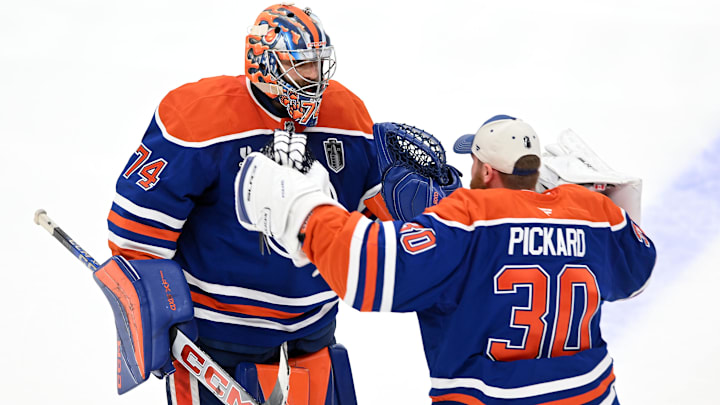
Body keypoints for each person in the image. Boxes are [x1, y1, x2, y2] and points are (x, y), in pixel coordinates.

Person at [235, 115, 657, 404]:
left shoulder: (464, 224)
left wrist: (303, 208)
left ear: (486, 170)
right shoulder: (591, 213)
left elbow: (366, 268)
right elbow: (637, 272)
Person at [106, 4, 392, 404]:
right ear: (262, 65)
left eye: (318, 65)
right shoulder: (199, 118)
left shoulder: (346, 114)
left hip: (314, 333)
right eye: (299, 66)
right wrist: (160, 311)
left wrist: (408, 199)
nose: (314, 79)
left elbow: (371, 222)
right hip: (218, 339)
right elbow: (135, 230)